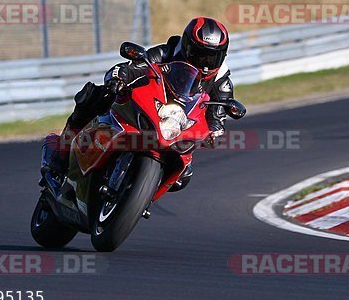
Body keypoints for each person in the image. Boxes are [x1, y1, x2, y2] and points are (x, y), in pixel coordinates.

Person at [41, 17, 234, 179]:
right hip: (150, 103)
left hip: (178, 126)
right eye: (198, 54)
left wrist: (215, 131)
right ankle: (63, 149)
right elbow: (134, 67)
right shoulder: (167, 53)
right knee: (95, 96)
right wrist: (118, 78)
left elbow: (218, 115)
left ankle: (139, 196)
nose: (204, 63)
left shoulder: (221, 80)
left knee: (183, 176)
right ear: (185, 46)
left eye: (211, 58)